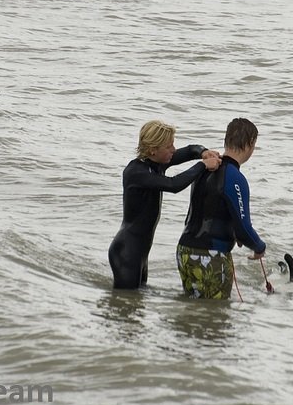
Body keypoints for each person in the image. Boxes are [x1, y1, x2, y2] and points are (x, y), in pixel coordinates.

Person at [109, 120, 221, 290]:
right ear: (153, 149)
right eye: (169, 146)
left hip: (140, 252)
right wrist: (203, 165)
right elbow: (173, 184)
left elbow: (190, 150)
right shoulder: (135, 172)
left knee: (135, 303)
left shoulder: (157, 163)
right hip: (126, 250)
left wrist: (203, 152)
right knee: (124, 306)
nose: (174, 150)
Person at [176, 118, 266, 299]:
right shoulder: (235, 177)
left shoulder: (205, 168)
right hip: (211, 256)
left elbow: (212, 208)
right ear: (250, 144)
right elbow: (244, 228)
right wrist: (258, 246)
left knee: (193, 313)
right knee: (215, 320)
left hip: (184, 251)